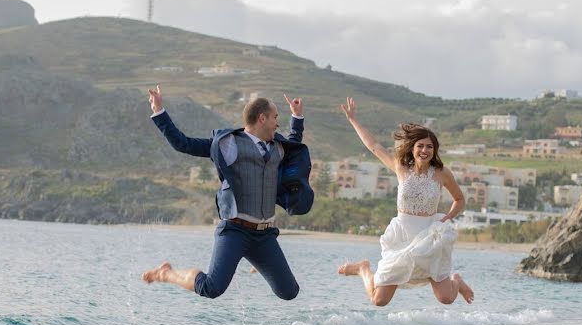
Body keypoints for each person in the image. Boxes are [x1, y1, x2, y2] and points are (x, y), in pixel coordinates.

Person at [141, 86, 313, 300]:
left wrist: (297, 117)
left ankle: (257, 261)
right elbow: (183, 143)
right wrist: (159, 111)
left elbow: (294, 143)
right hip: (235, 231)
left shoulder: (278, 147)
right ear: (262, 118)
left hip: (264, 235)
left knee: (289, 292)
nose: (277, 123)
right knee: (212, 288)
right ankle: (166, 273)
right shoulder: (229, 144)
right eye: (275, 117)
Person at [337, 96, 475, 307]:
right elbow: (373, 145)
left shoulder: (441, 173)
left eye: (429, 147)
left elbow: (459, 199)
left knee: (446, 298)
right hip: (402, 235)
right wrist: (353, 119)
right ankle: (363, 269)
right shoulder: (401, 168)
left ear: (434, 150)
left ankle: (457, 281)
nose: (425, 151)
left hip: (429, 236)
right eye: (420, 146)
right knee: (378, 300)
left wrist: (446, 219)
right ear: (412, 148)